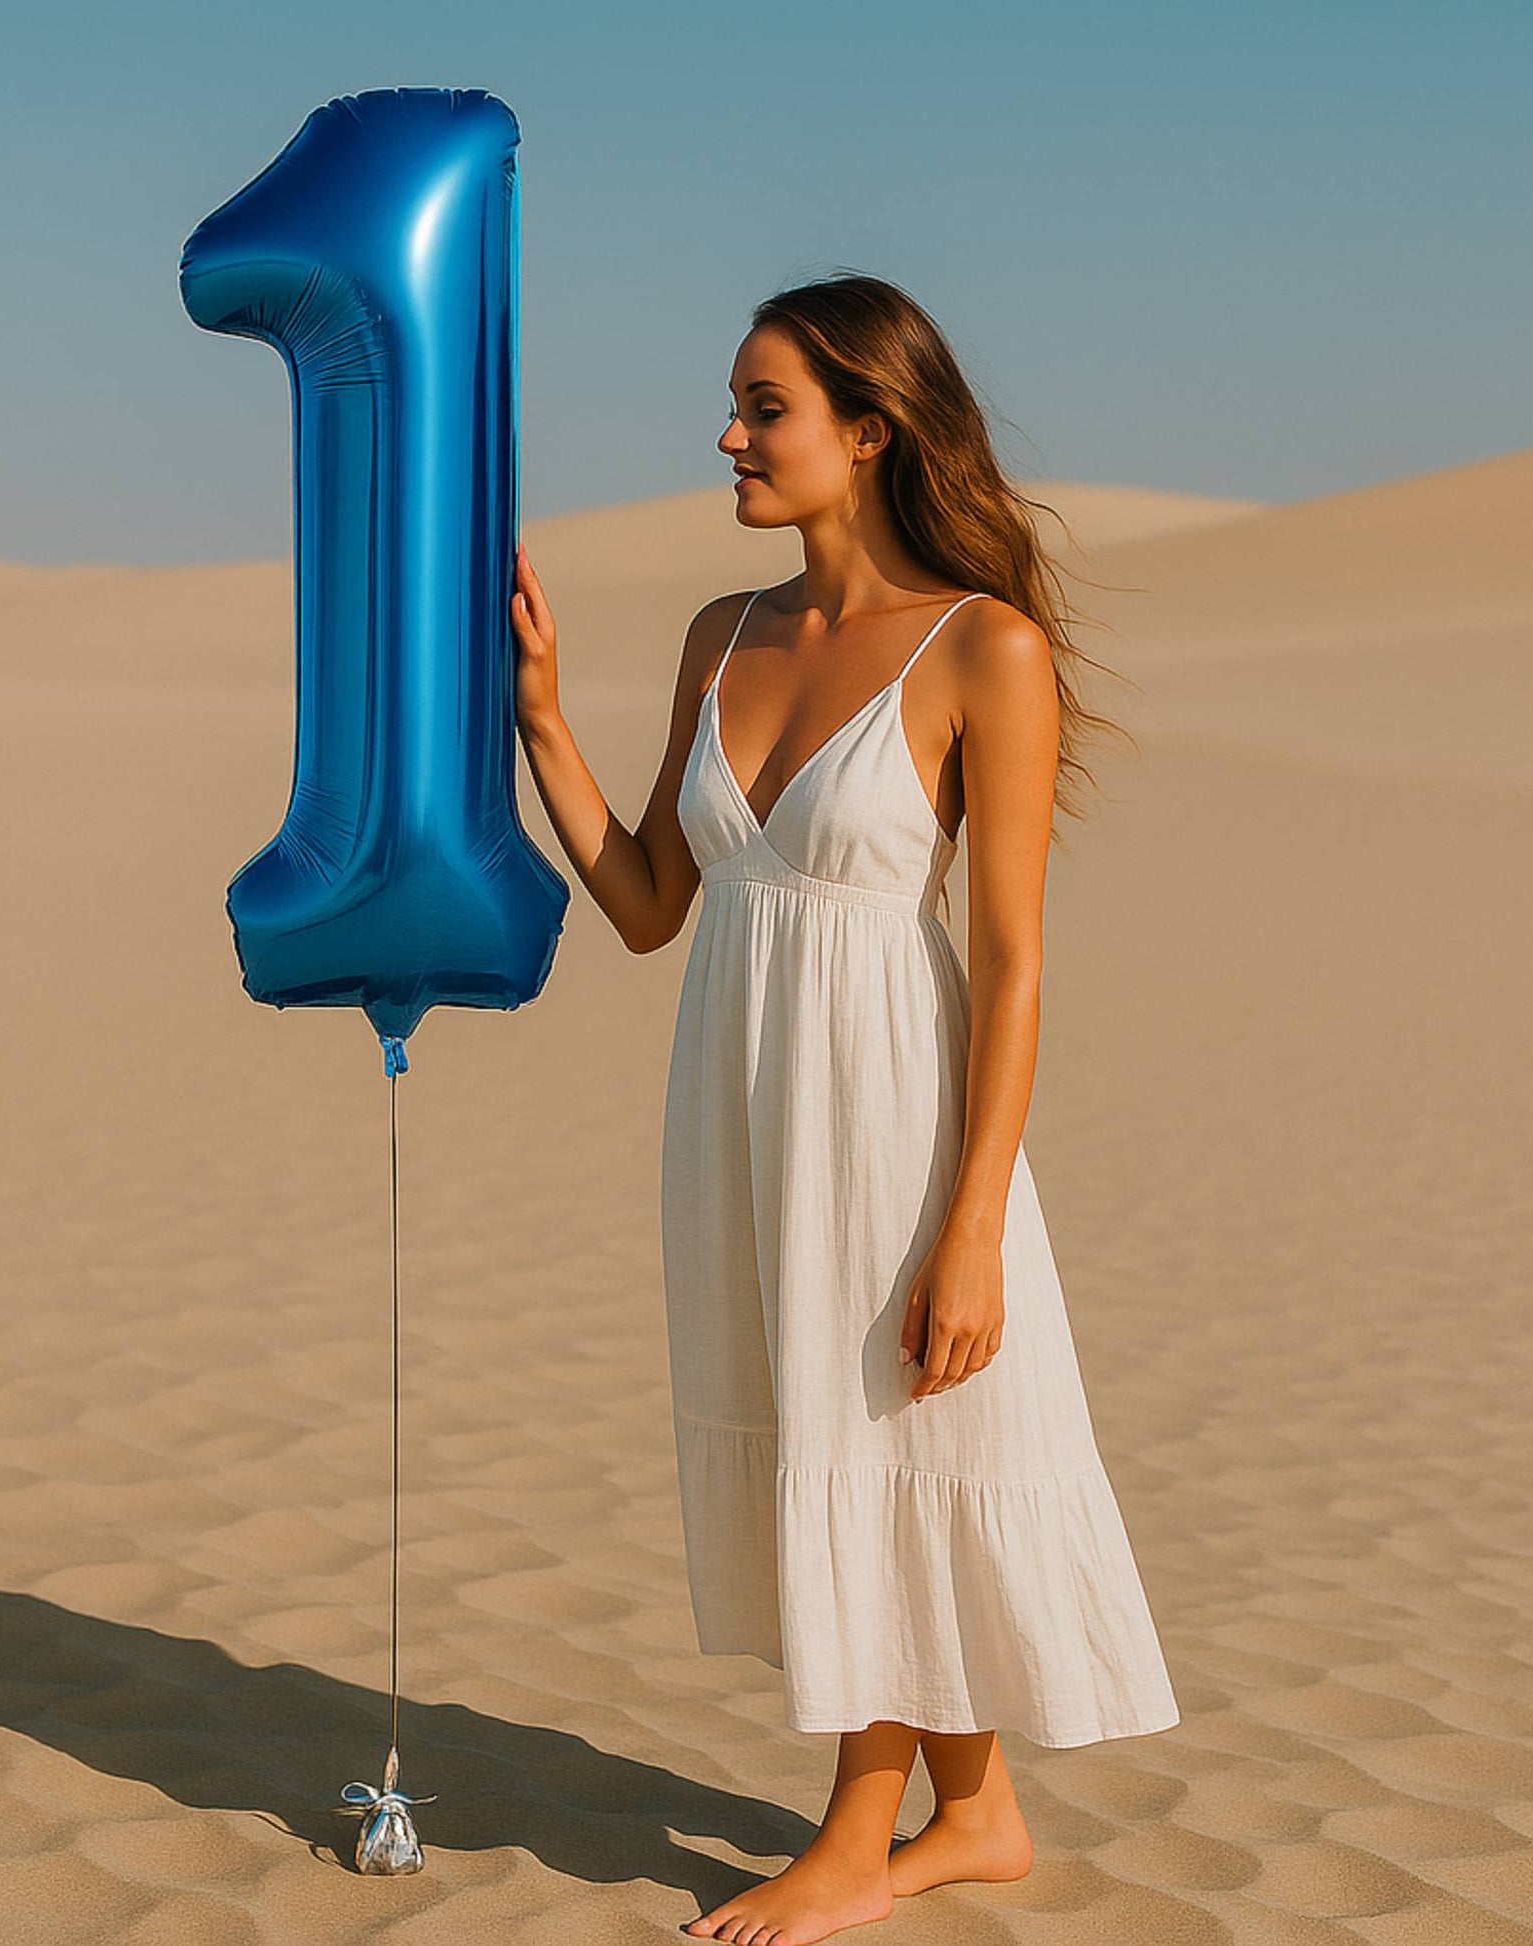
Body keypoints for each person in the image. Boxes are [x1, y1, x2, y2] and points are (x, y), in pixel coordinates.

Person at [510, 272, 1179, 1946]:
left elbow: (1014, 963)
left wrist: (972, 1226)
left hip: (894, 1116)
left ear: (868, 430)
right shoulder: (717, 637)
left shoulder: (984, 649)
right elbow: (656, 899)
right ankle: (978, 1810)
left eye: (763, 406)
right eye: (735, 405)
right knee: (843, 1432)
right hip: (740, 1108)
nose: (727, 435)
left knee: (879, 1432)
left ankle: (855, 1828)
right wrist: (540, 726)